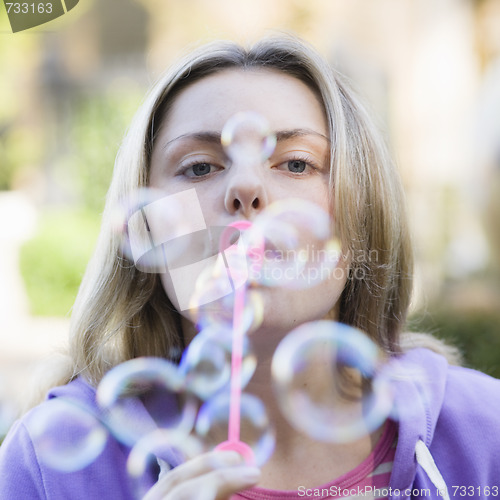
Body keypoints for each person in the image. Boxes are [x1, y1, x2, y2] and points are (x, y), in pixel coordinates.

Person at [1, 35, 499, 500]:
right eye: (199, 167)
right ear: (145, 228)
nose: (245, 189)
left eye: (296, 163)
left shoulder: (484, 435)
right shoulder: (47, 468)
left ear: (362, 213)